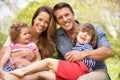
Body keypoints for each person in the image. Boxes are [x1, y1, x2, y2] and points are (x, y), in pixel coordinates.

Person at [8, 23, 97, 80]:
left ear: (91, 40)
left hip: (80, 71)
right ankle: (11, 78)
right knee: (42, 74)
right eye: (83, 31)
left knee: (48, 61)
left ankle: (22, 71)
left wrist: (53, 65)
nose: (85, 34)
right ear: (77, 33)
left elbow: (89, 63)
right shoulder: (76, 48)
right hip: (72, 75)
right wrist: (54, 67)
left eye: (88, 34)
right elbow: (68, 67)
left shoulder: (87, 47)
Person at [53, 2, 112, 80]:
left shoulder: (95, 29)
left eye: (67, 15)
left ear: (73, 15)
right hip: (73, 74)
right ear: (57, 22)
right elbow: (61, 60)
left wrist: (83, 54)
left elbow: (107, 51)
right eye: (60, 17)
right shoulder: (57, 36)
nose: (65, 19)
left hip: (97, 72)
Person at [0, 5, 56, 80]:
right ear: (34, 19)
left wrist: (29, 65)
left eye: (46, 22)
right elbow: (2, 55)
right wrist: (24, 53)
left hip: (27, 74)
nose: (42, 24)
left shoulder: (46, 44)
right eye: (40, 19)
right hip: (8, 68)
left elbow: (44, 66)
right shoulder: (17, 35)